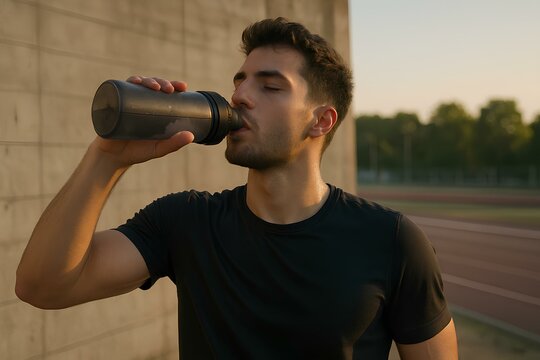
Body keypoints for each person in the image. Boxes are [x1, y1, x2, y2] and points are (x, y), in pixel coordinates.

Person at [16, 18, 458, 359]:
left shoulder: (391, 241)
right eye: (239, 81)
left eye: (269, 86)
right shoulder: (185, 221)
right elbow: (42, 286)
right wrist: (107, 158)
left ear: (321, 120)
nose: (241, 96)